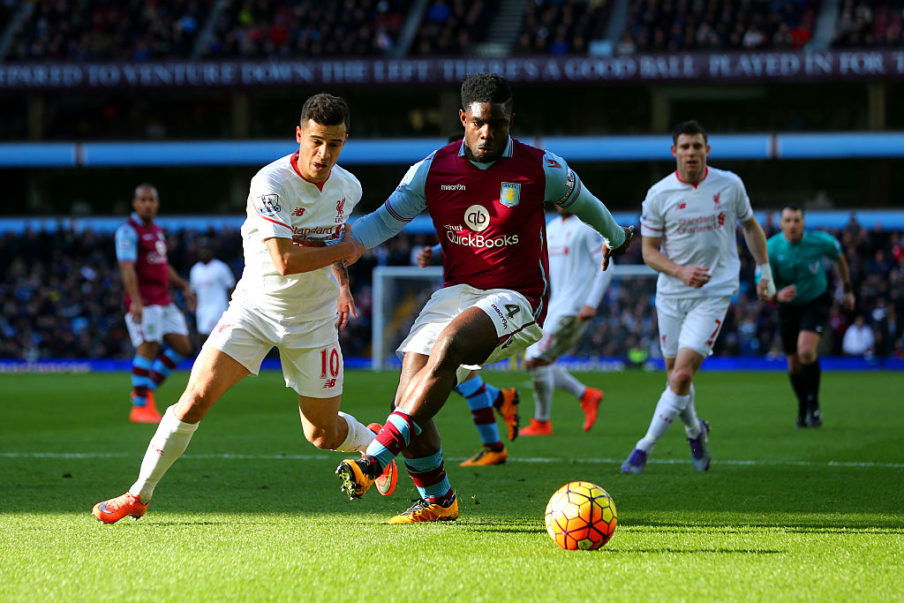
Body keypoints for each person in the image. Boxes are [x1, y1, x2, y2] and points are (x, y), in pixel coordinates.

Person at [334, 73, 634, 523]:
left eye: (498, 124)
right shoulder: (431, 169)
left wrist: (616, 236)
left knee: (450, 344)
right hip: (457, 291)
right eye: (478, 123)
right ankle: (438, 500)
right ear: (463, 119)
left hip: (519, 296)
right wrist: (345, 245)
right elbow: (384, 220)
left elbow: (587, 203)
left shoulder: (542, 167)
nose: (488, 133)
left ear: (511, 121)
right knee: (407, 397)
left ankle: (373, 459)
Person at [92, 93, 396, 524]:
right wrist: (345, 250)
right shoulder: (270, 183)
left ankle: (372, 442)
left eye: (334, 143)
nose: (324, 153)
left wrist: (343, 283)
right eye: (316, 141)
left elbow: (335, 240)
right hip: (253, 311)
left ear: (345, 141)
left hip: (313, 322)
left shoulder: (349, 187)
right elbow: (285, 261)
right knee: (194, 398)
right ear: (299, 135)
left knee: (322, 434)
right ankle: (138, 494)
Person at [621, 120, 773, 475]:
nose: (691, 153)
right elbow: (649, 253)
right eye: (685, 147)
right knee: (675, 377)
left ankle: (643, 448)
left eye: (697, 146)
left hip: (713, 292)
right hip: (672, 295)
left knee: (682, 375)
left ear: (708, 150)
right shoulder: (659, 195)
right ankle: (695, 430)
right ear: (674, 152)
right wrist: (680, 271)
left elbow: (750, 225)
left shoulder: (730, 184)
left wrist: (764, 271)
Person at [415, 244, 520, 466]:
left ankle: (494, 446)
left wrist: (434, 252)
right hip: (462, 292)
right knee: (441, 373)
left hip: (483, 296)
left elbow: (477, 234)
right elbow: (462, 232)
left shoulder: (496, 212)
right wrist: (434, 252)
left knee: (441, 372)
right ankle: (500, 403)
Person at [520, 205, 610, 436]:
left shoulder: (587, 227)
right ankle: (586, 395)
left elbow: (607, 266)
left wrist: (592, 302)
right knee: (540, 361)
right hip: (556, 306)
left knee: (534, 358)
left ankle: (542, 422)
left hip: (575, 308)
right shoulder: (551, 228)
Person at [766, 205, 855, 427]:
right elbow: (763, 284)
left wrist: (847, 288)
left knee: (805, 351)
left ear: (804, 222)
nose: (792, 225)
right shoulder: (772, 247)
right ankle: (803, 405)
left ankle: (813, 403)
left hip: (815, 301)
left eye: (797, 220)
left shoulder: (820, 241)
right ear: (781, 223)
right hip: (787, 306)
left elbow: (839, 258)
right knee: (794, 363)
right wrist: (776, 294)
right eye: (788, 220)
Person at [115, 184, 196, 423]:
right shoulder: (128, 231)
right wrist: (136, 302)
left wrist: (182, 285)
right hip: (145, 301)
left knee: (183, 347)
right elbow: (126, 268)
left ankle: (144, 389)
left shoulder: (157, 230)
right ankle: (140, 407)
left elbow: (161, 263)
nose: (147, 204)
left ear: (157, 204)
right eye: (143, 200)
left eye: (151, 200)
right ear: (135, 203)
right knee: (148, 345)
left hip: (164, 299)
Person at [189, 244, 236, 344]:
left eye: (206, 250)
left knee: (210, 335)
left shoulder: (221, 267)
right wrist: (193, 304)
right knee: (204, 334)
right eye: (201, 250)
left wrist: (233, 304)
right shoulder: (195, 269)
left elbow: (231, 286)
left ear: (212, 251)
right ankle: (208, 357)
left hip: (218, 307)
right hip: (202, 309)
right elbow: (193, 291)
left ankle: (210, 358)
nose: (203, 253)